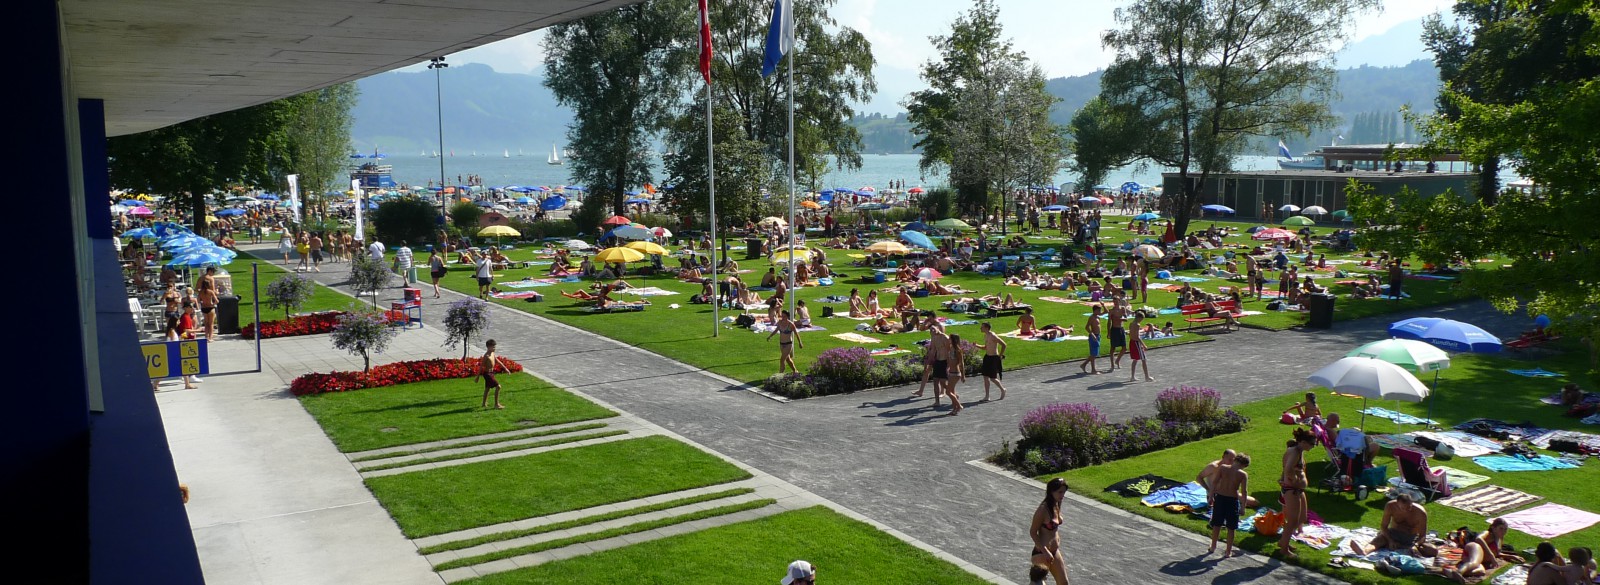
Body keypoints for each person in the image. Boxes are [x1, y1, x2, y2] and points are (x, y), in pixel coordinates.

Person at [1348, 491, 1437, 558]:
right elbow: (1384, 526)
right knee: (1379, 540)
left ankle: (1400, 547)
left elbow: (1422, 535)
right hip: (1393, 534)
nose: (1407, 510)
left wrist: (1415, 545)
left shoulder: (1420, 512)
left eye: (1409, 507)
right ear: (1397, 504)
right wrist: (1390, 540)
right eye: (1404, 508)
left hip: (1411, 539)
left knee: (1433, 551)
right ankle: (1364, 552)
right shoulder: (1390, 506)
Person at [1277, 428, 1315, 559]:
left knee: (1301, 518)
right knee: (1292, 520)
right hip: (1292, 490)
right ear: (1303, 442)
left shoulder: (1299, 451)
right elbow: (1288, 469)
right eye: (1312, 444)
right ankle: (1284, 549)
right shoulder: (1294, 452)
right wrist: (1295, 483)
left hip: (1297, 489)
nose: (1313, 446)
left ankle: (1283, 541)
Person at [1206, 453, 1251, 558]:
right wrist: (1243, 507)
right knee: (1231, 527)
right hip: (1232, 501)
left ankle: (1213, 546)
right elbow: (1244, 492)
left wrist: (1211, 496)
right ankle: (1228, 551)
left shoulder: (1223, 468)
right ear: (1244, 465)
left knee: (1216, 524)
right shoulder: (1243, 474)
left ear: (1235, 459)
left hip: (1220, 498)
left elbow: (1215, 483)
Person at [1030, 478, 1071, 585]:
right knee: (1039, 583)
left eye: (1064, 492)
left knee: (1063, 583)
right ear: (1051, 492)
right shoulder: (1042, 510)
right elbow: (1033, 532)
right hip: (1041, 552)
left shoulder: (1056, 504)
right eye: (1060, 492)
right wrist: (1045, 551)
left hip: (1054, 551)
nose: (1062, 495)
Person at [474, 339, 509, 409]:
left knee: (487, 388)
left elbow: (498, 362)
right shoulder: (486, 356)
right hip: (487, 374)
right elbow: (481, 366)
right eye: (493, 347)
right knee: (498, 387)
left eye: (494, 347)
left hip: (491, 373)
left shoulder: (492, 354)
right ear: (488, 347)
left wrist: (506, 369)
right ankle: (496, 404)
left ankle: (483, 404)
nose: (494, 348)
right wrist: (477, 377)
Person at [979, 322, 1008, 401]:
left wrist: (1000, 355)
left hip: (994, 358)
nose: (980, 328)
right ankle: (987, 396)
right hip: (987, 357)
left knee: (992, 378)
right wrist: (977, 346)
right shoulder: (986, 335)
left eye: (982, 327)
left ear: (986, 328)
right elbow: (985, 347)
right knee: (985, 377)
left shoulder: (993, 336)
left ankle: (1003, 389)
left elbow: (1004, 344)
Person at [1126, 312, 1153, 383]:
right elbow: (1137, 337)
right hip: (1136, 343)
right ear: (1139, 318)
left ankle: (1132, 376)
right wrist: (1144, 345)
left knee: (1135, 359)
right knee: (1143, 360)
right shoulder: (1137, 324)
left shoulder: (1131, 324)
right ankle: (1147, 377)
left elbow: (1131, 333)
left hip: (1132, 342)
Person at [944, 334, 966, 415]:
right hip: (951, 372)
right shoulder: (950, 348)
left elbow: (962, 363)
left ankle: (959, 406)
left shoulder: (957, 350)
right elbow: (949, 361)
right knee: (952, 391)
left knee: (948, 392)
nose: (948, 340)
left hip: (955, 373)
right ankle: (955, 409)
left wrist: (963, 375)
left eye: (950, 338)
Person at [1079, 304, 1103, 375]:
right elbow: (1087, 327)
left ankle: (1084, 365)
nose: (1100, 311)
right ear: (1095, 310)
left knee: (1094, 354)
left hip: (1098, 336)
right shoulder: (1092, 317)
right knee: (1093, 354)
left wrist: (1103, 305)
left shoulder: (1097, 317)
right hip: (1094, 336)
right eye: (1099, 310)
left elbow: (1106, 311)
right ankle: (1093, 370)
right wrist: (1092, 335)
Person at [197, 266, 219, 340]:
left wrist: (202, 301)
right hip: (210, 304)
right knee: (211, 323)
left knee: (206, 323)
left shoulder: (200, 278)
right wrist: (216, 292)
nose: (213, 273)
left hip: (204, 306)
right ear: (209, 271)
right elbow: (213, 290)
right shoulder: (211, 279)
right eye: (213, 272)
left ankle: (206, 336)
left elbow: (196, 289)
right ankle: (210, 337)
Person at [1106, 304, 1127, 370]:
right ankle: (1112, 364)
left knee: (1124, 348)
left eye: (1116, 300)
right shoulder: (1111, 311)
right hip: (1114, 329)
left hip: (1121, 328)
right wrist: (1108, 332)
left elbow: (1126, 319)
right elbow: (1109, 322)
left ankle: (1117, 360)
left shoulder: (1122, 308)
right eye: (1114, 301)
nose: (1115, 302)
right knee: (1113, 348)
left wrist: (1120, 319)